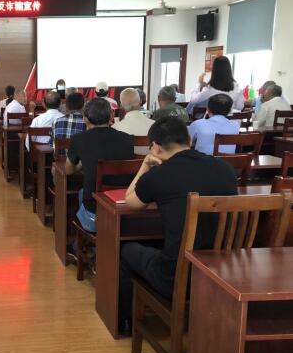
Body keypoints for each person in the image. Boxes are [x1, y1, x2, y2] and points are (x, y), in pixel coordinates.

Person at [119, 116, 237, 334]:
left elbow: (131, 202)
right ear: (190, 140)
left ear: (156, 147)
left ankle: (123, 323)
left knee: (125, 250)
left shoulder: (159, 175)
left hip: (175, 278)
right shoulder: (225, 168)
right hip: (222, 274)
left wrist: (145, 165)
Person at [66, 98, 134, 232]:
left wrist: (81, 165)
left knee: (83, 192)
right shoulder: (128, 139)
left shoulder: (79, 139)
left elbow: (68, 170)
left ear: (85, 119)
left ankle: (82, 235)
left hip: (94, 209)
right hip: (123, 205)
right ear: (111, 117)